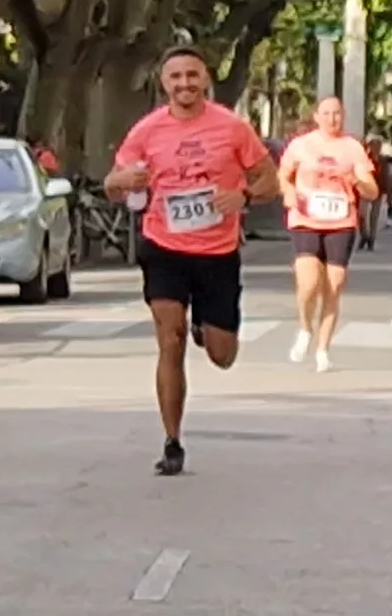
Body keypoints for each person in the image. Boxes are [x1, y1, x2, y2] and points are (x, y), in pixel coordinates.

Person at [103, 47, 276, 476]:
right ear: (164, 83)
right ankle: (172, 441)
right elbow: (112, 185)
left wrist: (245, 196)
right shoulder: (145, 131)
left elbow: (271, 180)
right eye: (176, 77)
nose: (185, 84)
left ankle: (206, 326)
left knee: (222, 355)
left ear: (206, 78)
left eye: (192, 75)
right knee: (170, 338)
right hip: (163, 247)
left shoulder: (233, 128)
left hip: (217, 252)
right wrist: (123, 181)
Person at [280, 96, 378, 372]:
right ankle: (304, 328)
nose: (332, 118)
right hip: (306, 219)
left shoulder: (352, 148)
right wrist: (288, 191)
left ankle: (323, 349)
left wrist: (357, 180)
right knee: (309, 282)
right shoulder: (301, 145)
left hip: (340, 221)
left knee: (333, 287)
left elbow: (372, 191)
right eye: (326, 113)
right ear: (316, 116)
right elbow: (283, 175)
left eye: (337, 113)